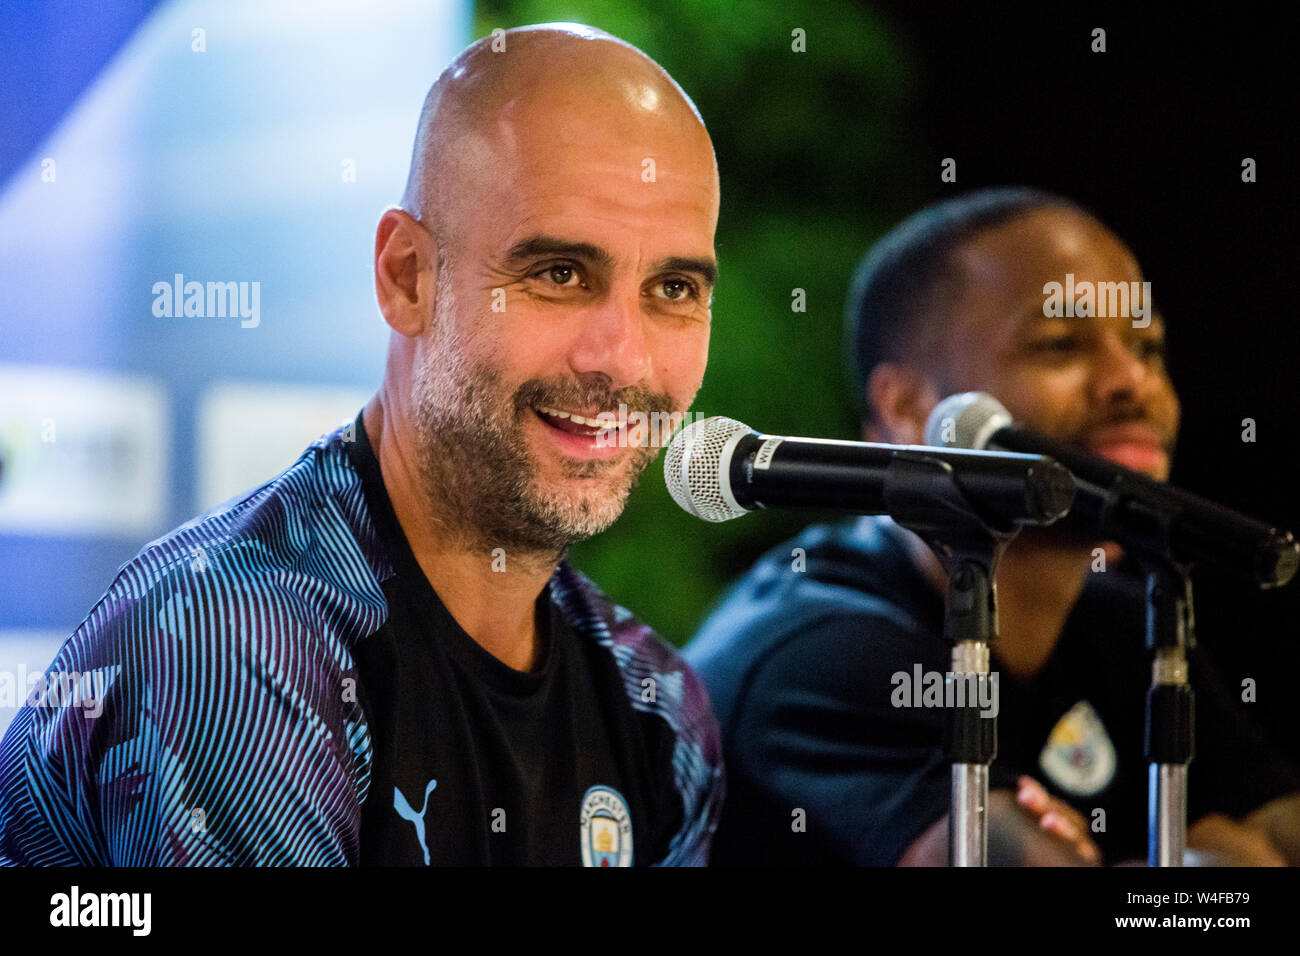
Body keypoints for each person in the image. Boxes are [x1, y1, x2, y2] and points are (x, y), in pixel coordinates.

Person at [0, 23, 723, 866]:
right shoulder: (237, 644)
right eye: (559, 274)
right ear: (407, 277)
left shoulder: (659, 706)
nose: (624, 359)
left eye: (673, 289)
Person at [686, 186, 1300, 866]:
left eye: (1147, 349)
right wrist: (1211, 857)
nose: (1132, 381)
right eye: (1061, 345)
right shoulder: (817, 651)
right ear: (909, 407)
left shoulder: (1123, 622)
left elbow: (1278, 830)